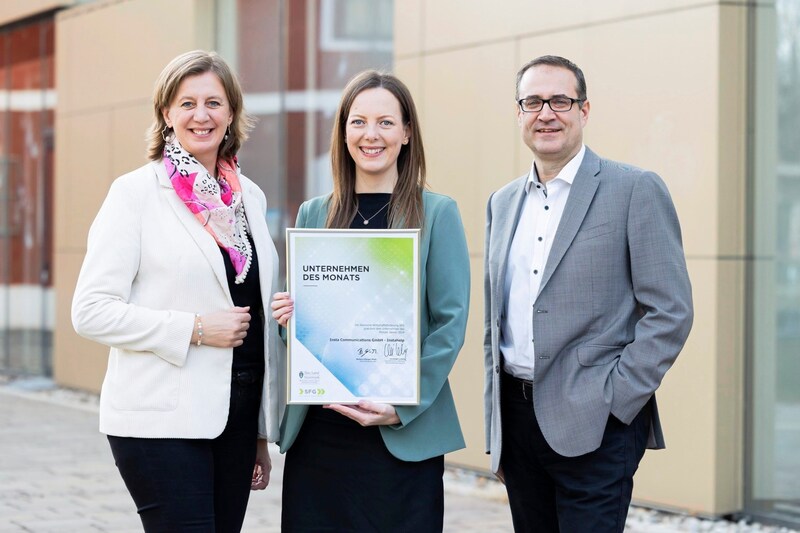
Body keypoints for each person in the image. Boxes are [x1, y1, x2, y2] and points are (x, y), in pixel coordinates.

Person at [71, 50, 285, 532]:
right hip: (160, 422)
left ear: (231, 112)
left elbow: (252, 316)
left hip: (235, 417)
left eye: (214, 102)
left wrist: (258, 435)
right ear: (166, 113)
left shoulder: (249, 197)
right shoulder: (135, 194)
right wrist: (193, 328)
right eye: (186, 103)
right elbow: (90, 311)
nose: (201, 115)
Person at [483, 55, 694, 532]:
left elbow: (671, 311)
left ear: (584, 110)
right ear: (519, 113)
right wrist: (496, 428)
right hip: (517, 421)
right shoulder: (502, 202)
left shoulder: (634, 189)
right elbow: (493, 325)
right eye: (533, 101)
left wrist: (617, 400)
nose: (546, 113)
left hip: (597, 422)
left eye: (561, 100)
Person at [271, 70, 470, 532]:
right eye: (358, 122)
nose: (371, 134)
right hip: (321, 437)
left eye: (385, 122)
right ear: (343, 133)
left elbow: (450, 322)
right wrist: (287, 320)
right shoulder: (314, 213)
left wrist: (402, 403)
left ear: (406, 133)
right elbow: (304, 328)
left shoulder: (437, 213)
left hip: (400, 434)